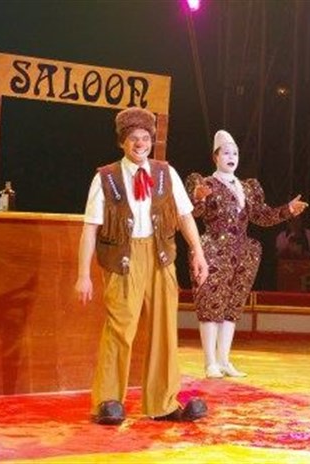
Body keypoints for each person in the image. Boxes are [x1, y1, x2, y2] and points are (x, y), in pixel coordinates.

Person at [75, 107, 210, 425]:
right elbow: (90, 228)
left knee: (164, 328)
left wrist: (198, 252)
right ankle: (108, 401)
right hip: (123, 258)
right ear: (122, 142)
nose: (140, 144)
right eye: (134, 138)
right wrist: (83, 275)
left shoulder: (165, 173)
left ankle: (164, 403)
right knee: (120, 328)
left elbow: (184, 216)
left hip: (161, 256)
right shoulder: (106, 177)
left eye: (146, 138)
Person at [185, 130, 308, 379]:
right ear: (215, 157)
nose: (231, 157)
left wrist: (288, 210)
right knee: (211, 305)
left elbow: (262, 216)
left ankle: (224, 360)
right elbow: (193, 213)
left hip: (242, 252)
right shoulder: (205, 183)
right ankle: (210, 362)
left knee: (232, 307)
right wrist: (197, 197)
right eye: (226, 153)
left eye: (235, 153)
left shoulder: (247, 187)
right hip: (213, 250)